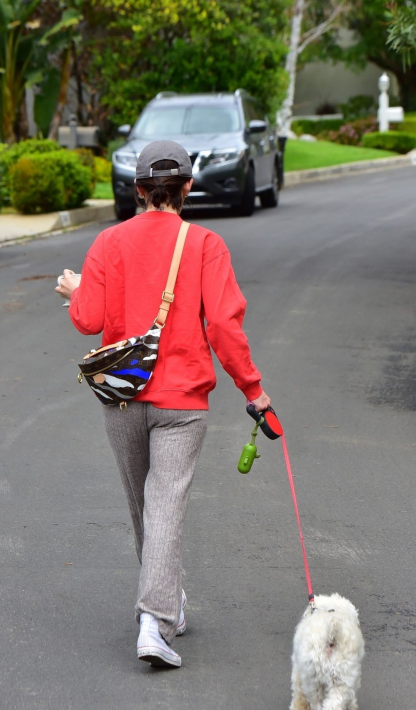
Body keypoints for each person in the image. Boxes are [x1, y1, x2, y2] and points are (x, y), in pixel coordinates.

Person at [56, 140, 271, 669]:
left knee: (145, 507)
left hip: (122, 400)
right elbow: (223, 326)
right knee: (165, 506)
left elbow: (88, 319)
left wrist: (76, 289)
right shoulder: (205, 245)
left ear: (137, 189)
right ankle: (157, 616)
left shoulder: (109, 242)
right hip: (183, 402)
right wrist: (253, 390)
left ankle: (161, 609)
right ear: (188, 189)